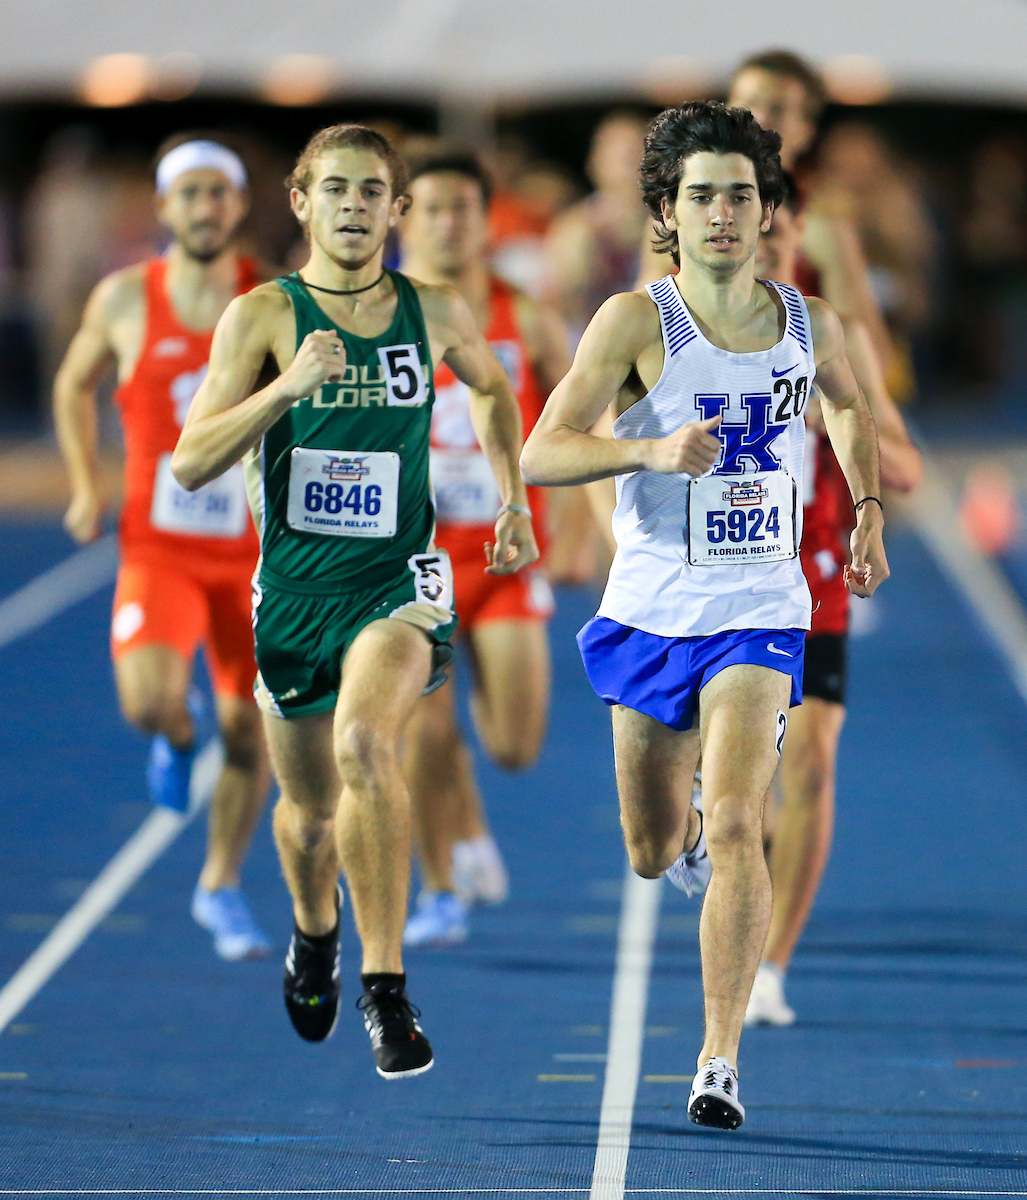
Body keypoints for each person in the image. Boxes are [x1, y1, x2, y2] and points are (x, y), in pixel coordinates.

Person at [521, 102, 888, 1130]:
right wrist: (643, 451)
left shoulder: (806, 321)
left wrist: (862, 509)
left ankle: (717, 1056)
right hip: (649, 607)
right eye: (699, 196)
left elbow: (850, 403)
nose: (721, 212)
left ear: (769, 209)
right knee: (651, 847)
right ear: (667, 215)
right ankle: (674, 849)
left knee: (737, 820)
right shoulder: (636, 321)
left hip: (761, 601)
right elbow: (542, 452)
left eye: (739, 193)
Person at [170, 124, 538, 1078]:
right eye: (334, 189)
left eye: (372, 191)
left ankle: (384, 989)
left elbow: (496, 390)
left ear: (396, 209)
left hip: (396, 582)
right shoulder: (261, 316)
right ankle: (313, 929)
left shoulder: (437, 309)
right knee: (306, 813)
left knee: (368, 743)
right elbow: (193, 457)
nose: (353, 206)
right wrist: (285, 389)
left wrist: (511, 496)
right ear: (299, 201)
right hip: (293, 594)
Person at [53, 135, 272, 962]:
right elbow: (74, 381)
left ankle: (218, 887)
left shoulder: (274, 298)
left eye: (220, 193)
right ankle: (176, 741)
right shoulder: (125, 298)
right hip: (163, 547)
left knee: (251, 732)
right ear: (165, 207)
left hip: (255, 552)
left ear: (239, 205)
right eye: (191, 193)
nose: (206, 207)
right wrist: (85, 480)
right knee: (149, 701)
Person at [744, 175, 921, 1026]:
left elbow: (905, 463)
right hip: (714, 590)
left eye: (781, 239)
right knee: (723, 800)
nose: (763, 248)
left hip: (812, 584)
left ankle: (771, 963)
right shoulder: (671, 328)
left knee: (809, 763)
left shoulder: (819, 332)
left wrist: (859, 460)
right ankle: (708, 839)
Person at [398, 153, 570, 945]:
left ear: (484, 217)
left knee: (514, 745)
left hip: (504, 549)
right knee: (422, 732)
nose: (448, 223)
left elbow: (583, 412)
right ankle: (445, 870)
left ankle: (465, 790)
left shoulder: (524, 315)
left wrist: (582, 516)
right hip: (411, 561)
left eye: (463, 207)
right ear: (405, 215)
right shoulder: (379, 312)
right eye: (431, 208)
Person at [638, 51, 899, 394]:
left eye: (776, 108)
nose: (757, 118)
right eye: (746, 104)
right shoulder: (679, 216)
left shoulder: (823, 229)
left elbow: (872, 358)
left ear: (806, 131)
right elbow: (638, 330)